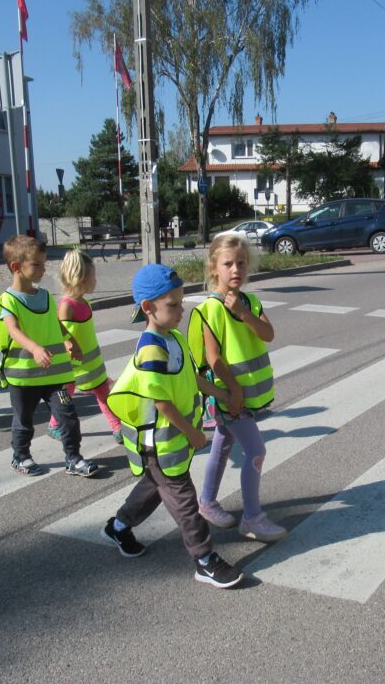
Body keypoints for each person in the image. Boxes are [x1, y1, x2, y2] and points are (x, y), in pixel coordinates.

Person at [103, 264, 244, 589]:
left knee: (153, 489)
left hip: (172, 445)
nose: (182, 310)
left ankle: (119, 526)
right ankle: (205, 560)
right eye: (174, 305)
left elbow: (189, 378)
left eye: (181, 302)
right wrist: (191, 432)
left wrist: (220, 392)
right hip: (162, 445)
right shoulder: (151, 349)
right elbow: (161, 401)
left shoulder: (173, 337)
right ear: (148, 308)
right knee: (185, 504)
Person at [187, 234, 285, 542]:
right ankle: (253, 518)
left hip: (247, 395)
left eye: (241, 263)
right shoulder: (210, 309)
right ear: (214, 267)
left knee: (223, 443)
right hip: (230, 396)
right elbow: (213, 359)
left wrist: (244, 314)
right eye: (227, 264)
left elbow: (268, 334)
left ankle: (207, 501)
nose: (235, 270)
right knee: (256, 450)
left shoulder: (251, 302)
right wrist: (234, 391)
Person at [0, 235, 99, 478]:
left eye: (44, 263)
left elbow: (55, 324)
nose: (43, 269)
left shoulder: (44, 296)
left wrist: (70, 340)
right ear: (16, 267)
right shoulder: (7, 301)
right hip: (24, 377)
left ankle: (74, 458)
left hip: (54, 376)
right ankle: (21, 456)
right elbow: (13, 330)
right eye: (37, 265)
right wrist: (35, 348)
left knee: (68, 417)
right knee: (24, 421)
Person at [45, 248, 121, 443]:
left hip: (91, 362)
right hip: (74, 363)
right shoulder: (67, 306)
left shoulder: (83, 302)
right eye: (92, 277)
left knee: (102, 391)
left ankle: (117, 426)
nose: (95, 281)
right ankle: (54, 424)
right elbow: (59, 331)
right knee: (66, 394)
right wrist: (68, 345)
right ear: (80, 278)